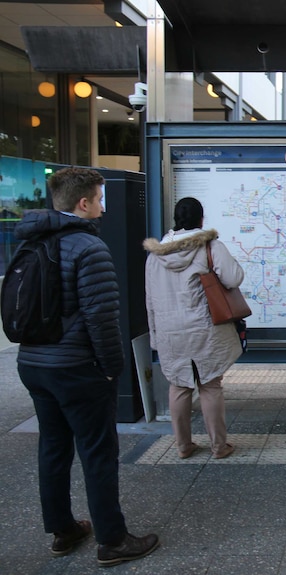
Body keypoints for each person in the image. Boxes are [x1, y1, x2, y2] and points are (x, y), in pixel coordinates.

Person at [15, 167, 159, 566]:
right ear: (84, 203)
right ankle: (113, 540)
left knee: (54, 446)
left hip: (34, 363)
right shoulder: (88, 248)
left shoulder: (29, 243)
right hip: (77, 367)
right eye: (99, 197)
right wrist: (113, 368)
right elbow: (102, 317)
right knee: (97, 452)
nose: (102, 205)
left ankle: (63, 530)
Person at [143, 197, 244, 460]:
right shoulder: (210, 246)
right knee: (210, 385)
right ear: (201, 219)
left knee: (178, 386)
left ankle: (183, 446)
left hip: (170, 331)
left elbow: (150, 300)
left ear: (176, 220)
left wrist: (155, 335)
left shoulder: (156, 255)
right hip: (203, 327)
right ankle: (219, 447)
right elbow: (233, 278)